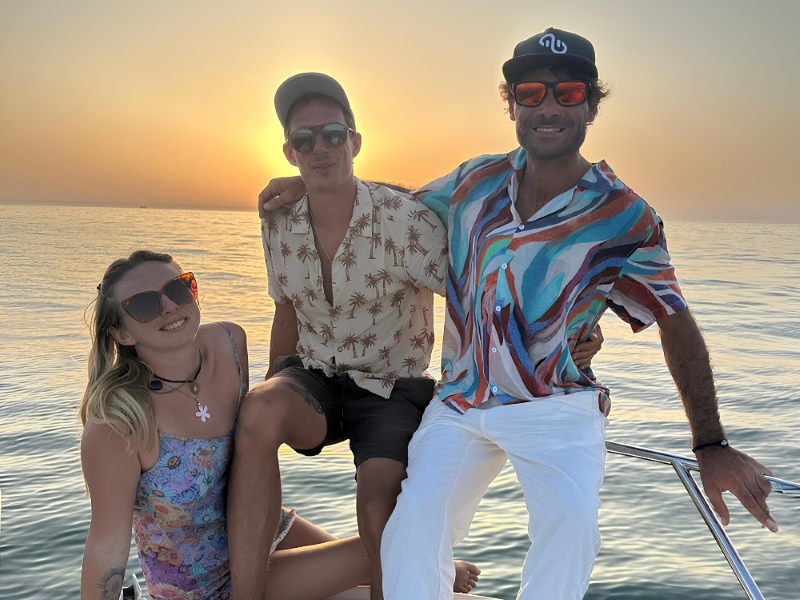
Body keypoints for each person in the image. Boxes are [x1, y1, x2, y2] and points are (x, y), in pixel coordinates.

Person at [259, 29, 777, 600]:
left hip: (555, 404)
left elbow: (674, 320)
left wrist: (710, 444)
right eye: (531, 93)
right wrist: (313, 183)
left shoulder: (623, 216)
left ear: (591, 105)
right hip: (461, 402)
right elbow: (395, 203)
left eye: (567, 92)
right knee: (410, 537)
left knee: (570, 529)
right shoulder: (474, 183)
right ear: (512, 105)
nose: (548, 106)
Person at [228, 73, 606, 600]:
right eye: (304, 140)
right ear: (289, 152)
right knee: (257, 412)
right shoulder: (277, 218)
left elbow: (482, 290)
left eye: (333, 136)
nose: (320, 149)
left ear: (355, 142)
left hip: (391, 386)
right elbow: (285, 310)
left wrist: (568, 331)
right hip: (315, 378)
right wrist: (277, 381)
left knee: (379, 508)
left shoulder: (406, 221)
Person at [79, 250, 370, 600]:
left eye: (178, 289)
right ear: (123, 334)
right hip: (206, 585)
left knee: (398, 574)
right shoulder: (119, 419)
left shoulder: (229, 343)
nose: (169, 306)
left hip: (262, 531)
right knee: (385, 549)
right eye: (143, 304)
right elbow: (107, 548)